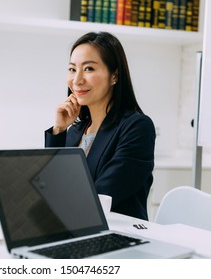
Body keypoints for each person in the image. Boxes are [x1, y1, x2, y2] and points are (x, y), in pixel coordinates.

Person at [45, 32, 155, 220]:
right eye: (72, 69)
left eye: (88, 69)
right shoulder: (76, 130)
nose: (77, 80)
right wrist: (59, 131)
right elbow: (49, 184)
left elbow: (102, 195)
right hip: (73, 225)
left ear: (114, 75)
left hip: (115, 234)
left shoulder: (137, 127)